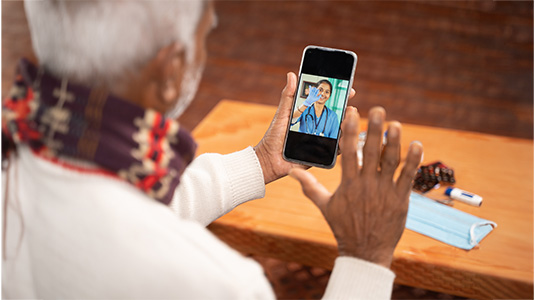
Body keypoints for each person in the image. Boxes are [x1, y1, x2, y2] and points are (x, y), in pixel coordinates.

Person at [2, 1, 423, 299]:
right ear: (171, 72)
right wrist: (364, 257)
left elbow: (109, 215)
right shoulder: (220, 286)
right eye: (207, 33)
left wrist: (258, 162)